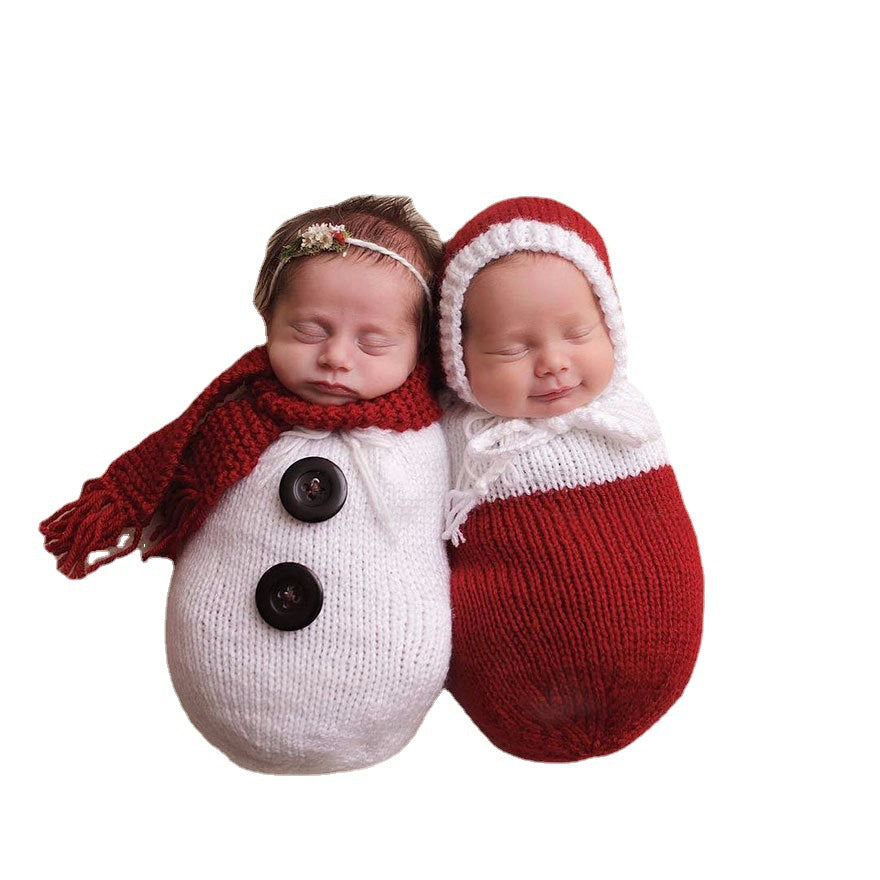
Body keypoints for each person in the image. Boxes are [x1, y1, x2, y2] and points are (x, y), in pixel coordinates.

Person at [40, 195, 452, 775]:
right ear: (268, 321)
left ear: (420, 346)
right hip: (222, 674)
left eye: (373, 341)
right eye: (309, 330)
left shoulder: (438, 434)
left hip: (388, 691)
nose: (336, 357)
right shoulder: (229, 422)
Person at [438, 196, 703, 762]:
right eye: (512, 348)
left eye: (578, 333)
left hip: (659, 657)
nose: (553, 362)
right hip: (508, 682)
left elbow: (666, 533)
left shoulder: (625, 418)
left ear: (611, 326)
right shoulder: (462, 441)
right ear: (457, 359)